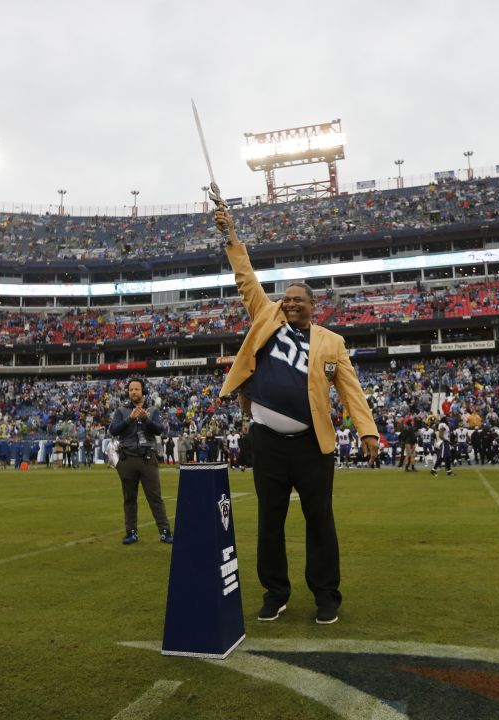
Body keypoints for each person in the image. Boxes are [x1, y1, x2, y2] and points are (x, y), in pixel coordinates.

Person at [214, 204, 378, 626]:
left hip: (312, 444)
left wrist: (368, 432)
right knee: (270, 521)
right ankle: (275, 592)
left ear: (312, 305)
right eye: (285, 298)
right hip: (267, 440)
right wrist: (232, 236)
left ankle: (326, 594)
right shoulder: (266, 315)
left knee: (319, 520)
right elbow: (246, 277)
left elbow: (351, 391)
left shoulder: (331, 343)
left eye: (297, 300)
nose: (289, 304)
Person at [108, 378, 173, 546]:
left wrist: (146, 420)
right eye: (131, 389)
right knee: (129, 498)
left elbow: (160, 431)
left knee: (154, 497)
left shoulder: (152, 410)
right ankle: (131, 532)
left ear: (143, 391)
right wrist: (129, 419)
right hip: (127, 458)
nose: (133, 392)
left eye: (137, 389)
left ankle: (165, 531)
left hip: (147, 458)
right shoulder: (121, 411)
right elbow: (113, 430)